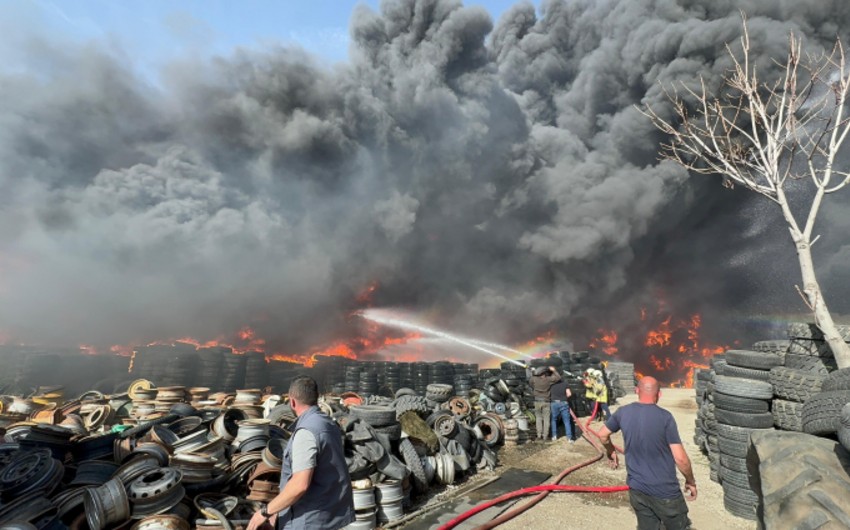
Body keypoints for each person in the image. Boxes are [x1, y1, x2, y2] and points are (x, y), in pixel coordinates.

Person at [247, 376, 355, 530]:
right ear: (315, 398)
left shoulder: (306, 432)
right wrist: (277, 513)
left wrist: (264, 512)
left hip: (309, 520)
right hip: (329, 515)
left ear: (292, 401)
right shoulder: (328, 423)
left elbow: (299, 484)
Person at [597, 376, 697, 530]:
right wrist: (690, 481)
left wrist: (611, 451)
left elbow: (602, 434)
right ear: (659, 394)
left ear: (637, 390)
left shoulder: (622, 412)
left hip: (637, 490)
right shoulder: (665, 417)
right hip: (665, 492)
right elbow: (680, 458)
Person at [528, 365, 561, 442]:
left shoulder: (534, 379)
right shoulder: (548, 380)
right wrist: (554, 370)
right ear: (544, 373)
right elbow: (558, 378)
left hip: (537, 401)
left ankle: (539, 436)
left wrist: (533, 372)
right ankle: (545, 436)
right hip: (546, 401)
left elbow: (530, 383)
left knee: (538, 419)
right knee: (546, 419)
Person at [549, 377, 574, 442]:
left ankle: (554, 436)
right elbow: (569, 394)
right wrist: (564, 398)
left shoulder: (551, 384)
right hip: (564, 402)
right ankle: (569, 438)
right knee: (566, 421)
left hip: (554, 403)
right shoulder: (565, 383)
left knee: (554, 419)